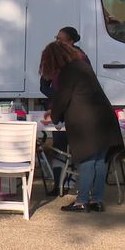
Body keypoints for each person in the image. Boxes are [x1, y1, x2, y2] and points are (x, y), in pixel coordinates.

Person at [42, 41, 123, 213]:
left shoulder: (68, 72)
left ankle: (82, 201)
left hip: (87, 122)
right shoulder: (81, 66)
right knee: (100, 161)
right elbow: (78, 94)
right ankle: (97, 200)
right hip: (104, 119)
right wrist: (55, 111)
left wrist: (53, 116)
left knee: (87, 160)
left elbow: (64, 97)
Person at [40, 26, 90, 195]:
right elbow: (43, 85)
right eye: (57, 37)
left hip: (76, 109)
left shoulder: (81, 58)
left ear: (71, 41)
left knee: (76, 146)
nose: (57, 41)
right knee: (59, 145)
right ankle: (58, 184)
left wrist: (68, 98)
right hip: (57, 107)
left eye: (60, 39)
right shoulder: (54, 57)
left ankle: (73, 183)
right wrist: (58, 98)